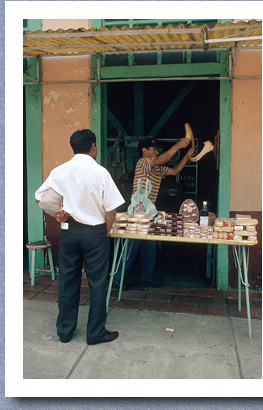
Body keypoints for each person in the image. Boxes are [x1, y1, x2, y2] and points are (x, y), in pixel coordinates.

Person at [35, 129, 125, 345]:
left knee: (67, 280)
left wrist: (58, 212)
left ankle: (65, 332)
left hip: (69, 230)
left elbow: (41, 198)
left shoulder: (60, 170)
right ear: (93, 146)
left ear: (73, 147)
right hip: (95, 232)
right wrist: (106, 231)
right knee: (97, 282)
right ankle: (95, 333)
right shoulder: (101, 173)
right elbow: (111, 209)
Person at [113, 136, 192, 290]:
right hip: (138, 212)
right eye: (153, 149)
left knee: (149, 244)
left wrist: (187, 156)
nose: (156, 152)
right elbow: (161, 160)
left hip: (149, 211)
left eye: (157, 150)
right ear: (144, 151)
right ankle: (117, 278)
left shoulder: (157, 168)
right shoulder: (143, 162)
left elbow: (175, 171)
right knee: (132, 244)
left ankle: (146, 279)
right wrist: (177, 145)